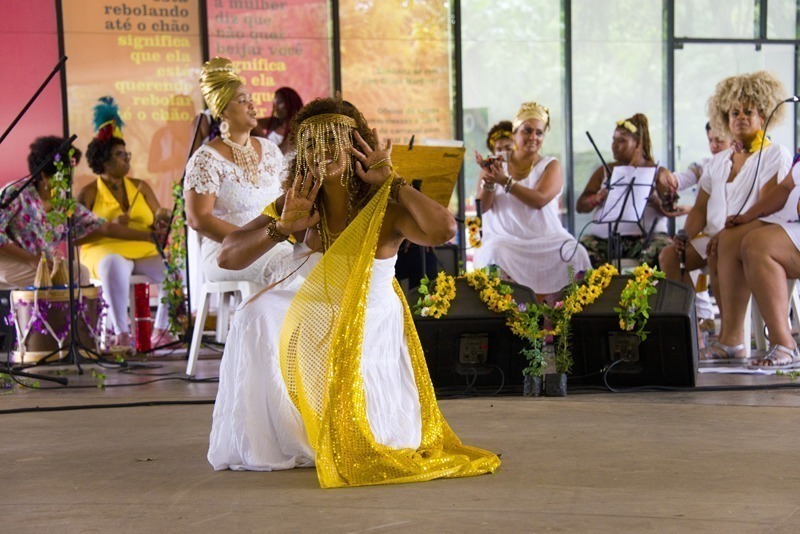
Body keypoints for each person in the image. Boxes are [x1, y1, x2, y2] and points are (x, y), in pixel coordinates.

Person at [207, 97, 500, 488]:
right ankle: (286, 438)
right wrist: (282, 227)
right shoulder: (298, 202)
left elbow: (444, 230)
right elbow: (227, 256)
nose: (322, 151)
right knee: (253, 312)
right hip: (312, 302)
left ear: (357, 145)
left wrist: (393, 181)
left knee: (316, 319)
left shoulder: (385, 203)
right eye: (312, 143)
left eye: (333, 140)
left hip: (370, 307)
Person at [659, 71, 791, 363]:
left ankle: (731, 340)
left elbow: (770, 206)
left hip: (752, 233)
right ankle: (692, 334)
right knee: (669, 256)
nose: (740, 117)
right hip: (712, 236)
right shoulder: (717, 162)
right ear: (725, 119)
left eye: (748, 112)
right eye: (734, 113)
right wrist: (685, 236)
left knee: (724, 244)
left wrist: (726, 233)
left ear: (763, 116)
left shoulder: (774, 154)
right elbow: (700, 210)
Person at [185, 57, 294, 289]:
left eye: (251, 99)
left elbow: (284, 197)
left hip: (273, 241)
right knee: (287, 267)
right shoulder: (206, 158)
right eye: (243, 100)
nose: (252, 106)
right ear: (222, 110)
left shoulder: (270, 150)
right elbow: (197, 218)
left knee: (310, 261)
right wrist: (252, 241)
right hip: (226, 251)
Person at [78, 99, 174, 352]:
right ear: (104, 161)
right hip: (104, 251)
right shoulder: (88, 192)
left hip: (143, 250)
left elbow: (158, 216)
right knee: (113, 264)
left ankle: (161, 329)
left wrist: (163, 219)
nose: (127, 159)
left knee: (173, 270)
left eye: (127, 154)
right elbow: (78, 234)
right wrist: (109, 226)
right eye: (120, 155)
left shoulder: (141, 186)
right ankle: (121, 334)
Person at [0, 136, 153, 290]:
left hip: (39, 264)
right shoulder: (15, 193)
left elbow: (104, 227)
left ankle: (81, 307)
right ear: (45, 176)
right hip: (7, 262)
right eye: (65, 176)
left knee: (81, 273)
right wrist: (31, 259)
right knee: (54, 277)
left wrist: (149, 236)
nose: (71, 181)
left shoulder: (63, 202)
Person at [473, 103, 590, 301]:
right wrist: (490, 181)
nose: (533, 137)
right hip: (506, 241)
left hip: (548, 240)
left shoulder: (550, 165)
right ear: (514, 134)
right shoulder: (497, 165)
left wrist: (504, 181)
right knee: (493, 253)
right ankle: (507, 315)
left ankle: (565, 314)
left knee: (576, 253)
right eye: (527, 131)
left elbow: (539, 200)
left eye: (539, 133)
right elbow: (482, 207)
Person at [713, 161, 800, 368]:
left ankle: (784, 344)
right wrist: (747, 216)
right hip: (792, 222)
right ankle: (731, 340)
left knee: (758, 244)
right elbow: (786, 187)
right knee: (730, 239)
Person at [576, 113, 673, 268]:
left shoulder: (657, 172)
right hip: (605, 240)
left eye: (621, 141)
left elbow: (671, 208)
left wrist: (655, 199)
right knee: (578, 252)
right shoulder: (604, 170)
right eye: (613, 140)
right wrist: (596, 198)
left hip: (647, 239)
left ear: (638, 143)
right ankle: (590, 286)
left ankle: (648, 285)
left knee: (663, 250)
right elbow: (580, 206)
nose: (614, 145)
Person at [256, 87, 303, 155]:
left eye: (279, 103)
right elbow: (254, 123)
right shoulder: (274, 122)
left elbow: (279, 153)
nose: (276, 107)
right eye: (275, 104)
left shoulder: (300, 127)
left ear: (291, 102)